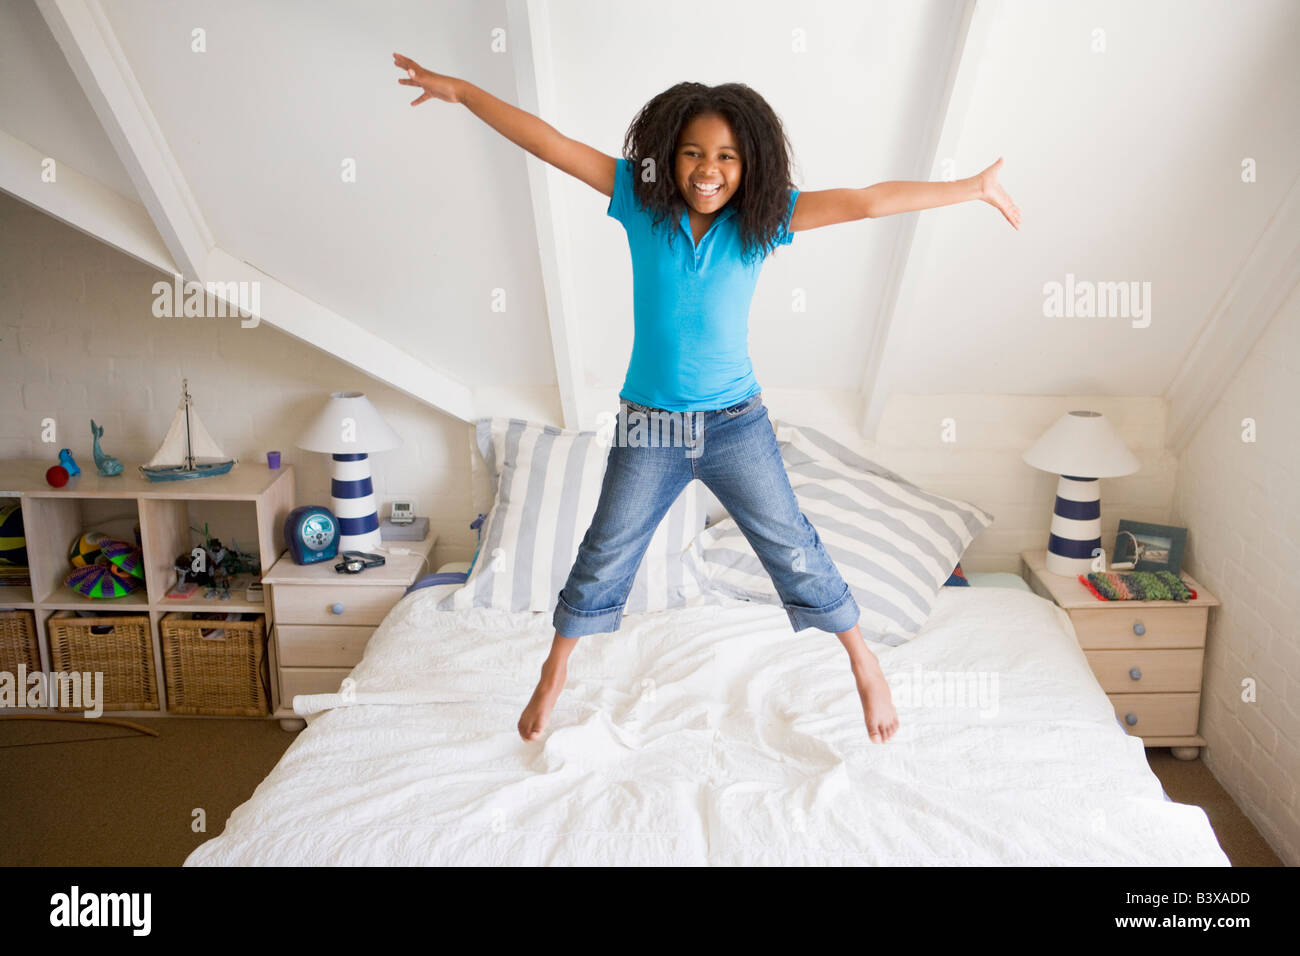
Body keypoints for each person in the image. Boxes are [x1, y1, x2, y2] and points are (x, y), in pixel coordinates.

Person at [394, 54, 1022, 746]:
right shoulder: (639, 198)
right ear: (669, 155)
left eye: (725, 155)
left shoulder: (765, 220)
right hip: (649, 431)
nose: (707, 168)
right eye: (692, 152)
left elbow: (868, 200)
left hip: (736, 427)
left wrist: (971, 187)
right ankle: (553, 673)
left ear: (748, 162)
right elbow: (548, 142)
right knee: (606, 552)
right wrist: (460, 91)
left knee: (794, 546)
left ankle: (864, 662)